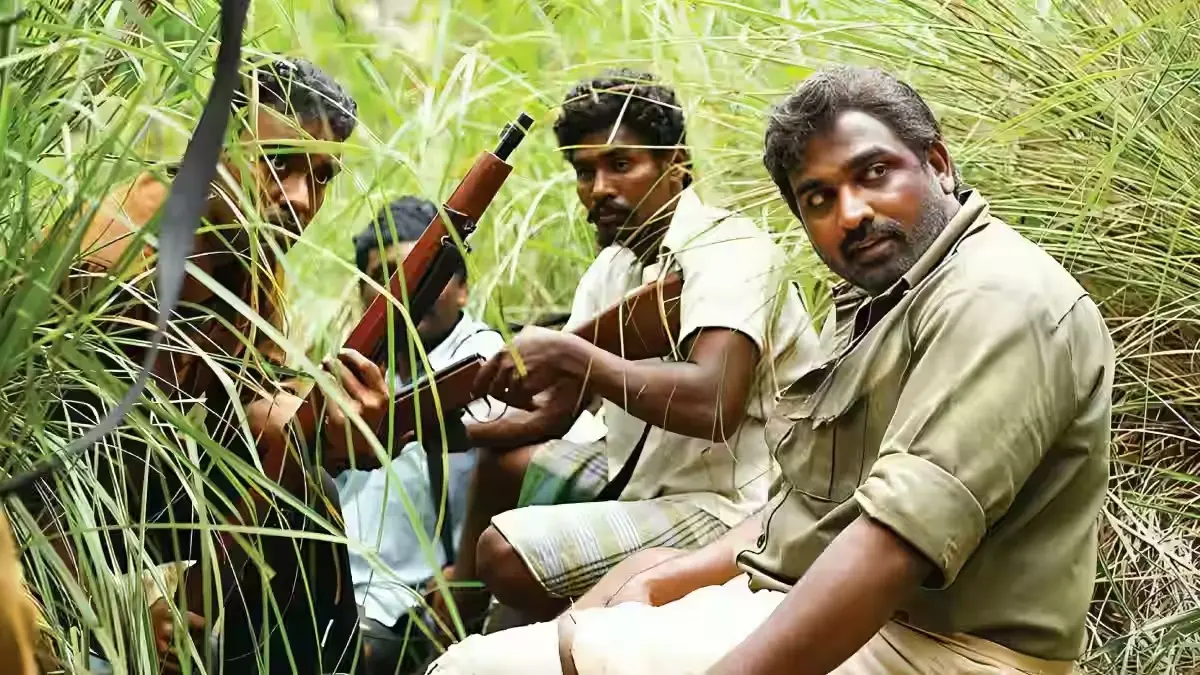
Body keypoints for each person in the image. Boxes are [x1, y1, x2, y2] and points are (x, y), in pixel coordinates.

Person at [425, 65, 1115, 675]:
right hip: (822, 592)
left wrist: (578, 358)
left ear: (937, 163)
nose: (853, 213)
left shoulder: (994, 298)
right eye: (818, 198)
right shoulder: (886, 298)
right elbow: (807, 513)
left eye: (875, 173)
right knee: (552, 628)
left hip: (940, 645)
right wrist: (666, 581)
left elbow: (887, 546)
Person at [439, 69, 820, 628]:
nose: (599, 189)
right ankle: (468, 605)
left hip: (746, 507)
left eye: (621, 165)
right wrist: (432, 427)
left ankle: (593, 630)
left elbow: (714, 404)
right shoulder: (611, 269)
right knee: (502, 466)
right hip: (645, 484)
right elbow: (556, 411)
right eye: (584, 171)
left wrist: (573, 356)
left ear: (677, 165)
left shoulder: (729, 248)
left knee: (504, 552)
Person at [51, 56, 378, 675]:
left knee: (304, 478)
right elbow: (34, 464)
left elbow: (256, 416)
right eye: (278, 164)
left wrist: (328, 420)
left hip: (142, 499)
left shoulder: (256, 262)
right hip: (55, 517)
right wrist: (114, 609)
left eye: (323, 176)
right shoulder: (112, 251)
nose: (301, 199)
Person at [338, 196, 507, 673]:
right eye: (388, 277)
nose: (410, 292)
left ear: (462, 289)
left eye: (427, 274)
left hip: (412, 605)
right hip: (338, 588)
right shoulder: (358, 368)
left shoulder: (488, 363)